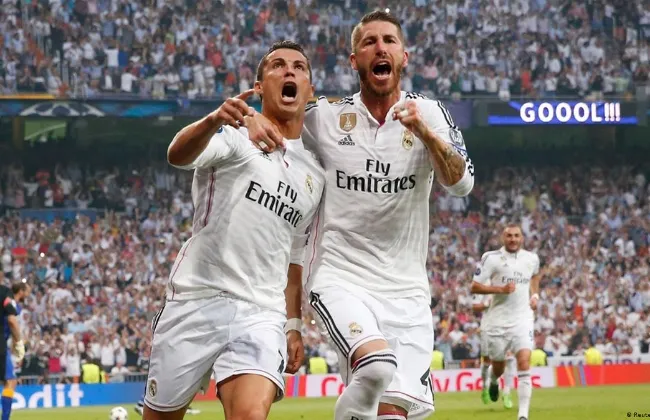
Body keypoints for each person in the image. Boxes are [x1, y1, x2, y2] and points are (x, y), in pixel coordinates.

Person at [247, 11, 474, 420]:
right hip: (340, 277)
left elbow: (461, 184)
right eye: (369, 42)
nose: (380, 48)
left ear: (404, 56)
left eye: (389, 41)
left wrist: (424, 134)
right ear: (355, 60)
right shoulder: (326, 117)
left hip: (407, 292)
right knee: (375, 366)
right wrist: (248, 119)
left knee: (392, 412)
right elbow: (277, 116)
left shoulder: (430, 113)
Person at [142, 40, 324, 420]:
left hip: (261, 312)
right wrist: (214, 120)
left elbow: (293, 258)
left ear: (309, 90)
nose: (289, 71)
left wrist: (293, 324)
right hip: (196, 299)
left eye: (299, 67)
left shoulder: (314, 175)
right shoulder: (235, 136)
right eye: (278, 65)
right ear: (259, 87)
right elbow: (177, 155)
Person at [470, 224, 544, 420]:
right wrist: (500, 290)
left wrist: (535, 295)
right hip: (497, 322)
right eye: (509, 236)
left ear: (522, 238)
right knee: (498, 366)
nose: (513, 239)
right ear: (503, 238)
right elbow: (474, 287)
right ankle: (494, 381)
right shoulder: (491, 258)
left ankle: (523, 415)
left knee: (524, 361)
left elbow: (535, 276)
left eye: (516, 236)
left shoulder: (531, 258)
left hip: (523, 319)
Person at [472, 293, 515, 409]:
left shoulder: (508, 287)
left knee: (509, 359)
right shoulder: (484, 287)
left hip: (505, 327)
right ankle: (485, 387)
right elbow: (475, 306)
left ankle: (507, 393)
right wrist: (487, 304)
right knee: (487, 362)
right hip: (488, 328)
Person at [1, 282, 29, 420]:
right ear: (21, 291)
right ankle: (5, 417)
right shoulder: (12, 304)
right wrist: (19, 342)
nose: (28, 294)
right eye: (27, 291)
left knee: (8, 381)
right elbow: (11, 322)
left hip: (4, 344)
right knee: (10, 381)